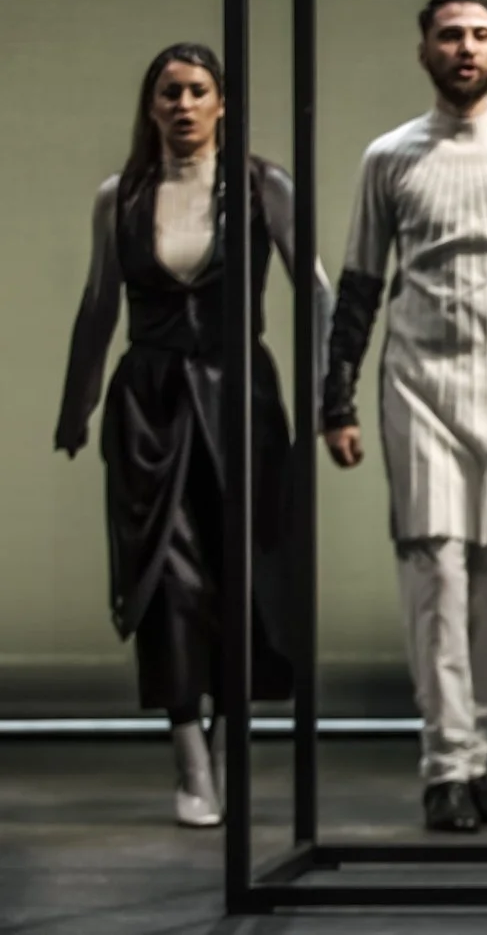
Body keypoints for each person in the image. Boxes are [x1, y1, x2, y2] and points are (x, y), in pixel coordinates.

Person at [322, 0, 487, 834]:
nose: (465, 47)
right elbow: (360, 282)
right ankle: (445, 768)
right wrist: (336, 401)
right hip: (417, 388)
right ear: (424, 50)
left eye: (479, 34)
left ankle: (478, 760)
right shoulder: (390, 157)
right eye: (449, 35)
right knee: (435, 574)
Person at [55, 43, 326, 828]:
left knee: (242, 573)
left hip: (240, 399)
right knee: (167, 582)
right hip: (150, 406)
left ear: (222, 104)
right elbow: (99, 303)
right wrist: (77, 406)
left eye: (197, 91)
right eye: (169, 92)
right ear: (151, 106)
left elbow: (314, 290)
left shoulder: (262, 186)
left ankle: (228, 740)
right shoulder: (122, 196)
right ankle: (189, 757)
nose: (182, 105)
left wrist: (325, 397)